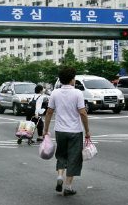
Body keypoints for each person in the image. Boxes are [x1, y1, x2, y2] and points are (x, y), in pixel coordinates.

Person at [43, 66, 91, 196]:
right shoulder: (77, 93)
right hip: (75, 131)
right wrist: (87, 130)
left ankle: (60, 177)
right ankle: (68, 187)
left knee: (61, 155)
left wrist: (45, 130)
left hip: (60, 130)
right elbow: (82, 113)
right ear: (71, 80)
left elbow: (49, 112)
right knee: (74, 158)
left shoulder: (55, 93)